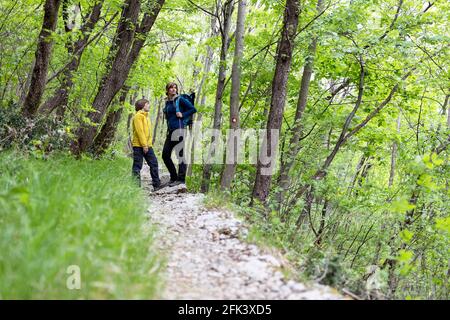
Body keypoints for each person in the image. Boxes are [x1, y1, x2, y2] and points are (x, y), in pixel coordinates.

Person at [162, 82, 196, 187]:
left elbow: (193, 109)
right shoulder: (167, 102)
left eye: (175, 88)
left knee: (180, 155)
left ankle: (181, 180)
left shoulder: (180, 99)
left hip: (180, 130)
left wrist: (183, 114)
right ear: (167, 90)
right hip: (171, 130)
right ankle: (174, 177)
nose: (173, 89)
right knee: (165, 155)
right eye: (171, 88)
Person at [131, 98, 161, 190]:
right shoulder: (138, 116)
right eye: (148, 104)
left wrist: (148, 144)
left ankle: (156, 185)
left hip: (147, 145)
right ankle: (135, 187)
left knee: (154, 163)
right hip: (139, 146)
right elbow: (140, 132)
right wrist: (144, 145)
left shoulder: (146, 117)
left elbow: (148, 133)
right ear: (143, 105)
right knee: (137, 166)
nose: (149, 106)